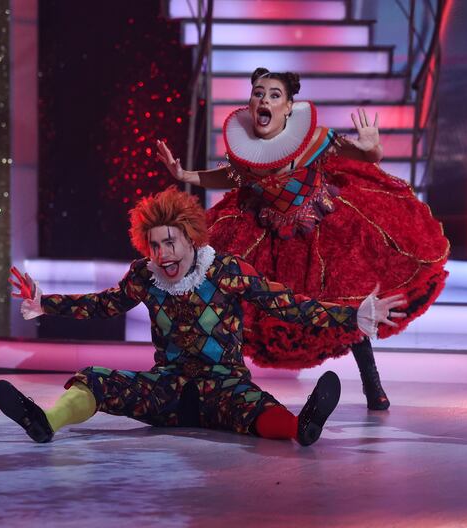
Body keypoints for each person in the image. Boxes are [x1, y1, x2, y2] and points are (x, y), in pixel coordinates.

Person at [0, 187, 406, 446]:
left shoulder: (226, 270)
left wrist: (351, 316)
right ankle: (44, 421)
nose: (162, 254)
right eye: (153, 246)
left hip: (223, 386)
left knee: (255, 408)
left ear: (190, 237)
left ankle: (303, 427)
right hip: (167, 390)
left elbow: (288, 304)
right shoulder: (145, 276)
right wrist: (47, 303)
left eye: (169, 243)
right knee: (96, 379)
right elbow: (106, 304)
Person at [156, 67, 449, 411]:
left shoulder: (314, 138)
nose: (263, 99)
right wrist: (184, 174)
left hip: (321, 223)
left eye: (274, 95)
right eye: (258, 93)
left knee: (347, 296)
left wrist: (372, 147)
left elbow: (365, 156)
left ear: (289, 107)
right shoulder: (245, 147)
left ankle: (373, 384)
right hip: (268, 230)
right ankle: (226, 388)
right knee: (237, 303)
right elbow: (230, 176)